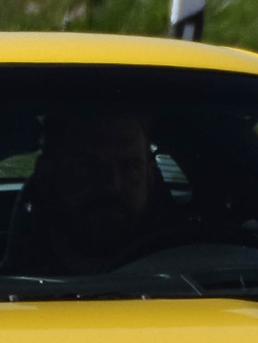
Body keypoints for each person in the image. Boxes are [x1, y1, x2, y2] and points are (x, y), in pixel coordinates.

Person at [18, 107, 170, 274]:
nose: (113, 185)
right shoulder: (4, 292)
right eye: (89, 167)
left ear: (150, 177)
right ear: (45, 175)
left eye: (130, 167)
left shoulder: (187, 267)